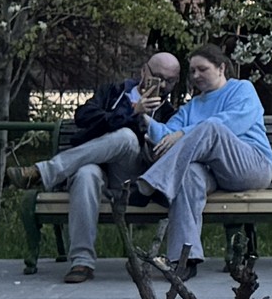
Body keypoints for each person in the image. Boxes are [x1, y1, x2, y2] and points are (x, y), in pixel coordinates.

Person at [36, 51, 180, 283]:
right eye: (158, 77)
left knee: (127, 138)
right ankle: (82, 262)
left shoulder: (170, 114)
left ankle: (45, 172)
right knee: (85, 174)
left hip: (132, 179)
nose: (162, 85)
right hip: (97, 169)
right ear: (144, 70)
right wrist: (132, 111)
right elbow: (83, 116)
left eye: (170, 81)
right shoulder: (113, 92)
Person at [134, 50, 272, 270]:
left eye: (202, 69)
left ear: (221, 68)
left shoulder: (242, 89)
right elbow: (166, 136)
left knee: (211, 127)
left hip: (251, 166)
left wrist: (183, 134)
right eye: (192, 71)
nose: (196, 75)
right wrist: (142, 115)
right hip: (214, 174)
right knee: (188, 175)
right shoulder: (191, 107)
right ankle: (184, 260)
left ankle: (151, 183)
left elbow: (232, 123)